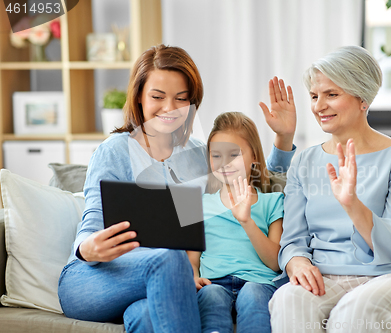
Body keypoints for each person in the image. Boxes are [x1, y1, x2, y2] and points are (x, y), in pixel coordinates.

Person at [58, 44, 296, 333]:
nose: (169, 108)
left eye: (181, 99)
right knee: (169, 259)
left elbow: (250, 175)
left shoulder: (197, 155)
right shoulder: (115, 151)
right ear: (139, 97)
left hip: (162, 285)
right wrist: (88, 248)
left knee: (147, 317)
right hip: (95, 277)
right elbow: (92, 220)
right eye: (157, 97)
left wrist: (283, 139)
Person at [268, 46, 391, 333]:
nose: (318, 106)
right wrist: (296, 262)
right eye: (314, 96)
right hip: (329, 277)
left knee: (355, 310)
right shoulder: (305, 161)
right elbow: (293, 240)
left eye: (331, 94)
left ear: (363, 98)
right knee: (288, 298)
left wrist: (352, 205)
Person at [188, 112, 284, 333]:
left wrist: (247, 221)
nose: (224, 164)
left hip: (258, 283)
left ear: (254, 157)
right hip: (213, 283)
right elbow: (192, 259)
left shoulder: (272, 201)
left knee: (252, 294)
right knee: (211, 296)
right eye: (216, 156)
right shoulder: (198, 203)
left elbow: (275, 263)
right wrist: (193, 276)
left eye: (234, 154)